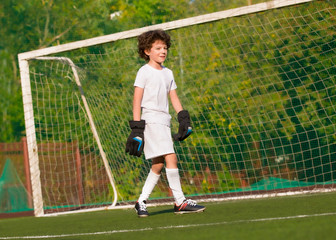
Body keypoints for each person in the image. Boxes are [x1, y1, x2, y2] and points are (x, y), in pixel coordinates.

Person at [126, 29, 205, 217]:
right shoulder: (143, 71)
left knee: (158, 164)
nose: (163, 51)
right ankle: (180, 201)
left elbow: (174, 97)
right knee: (171, 156)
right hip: (150, 120)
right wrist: (137, 128)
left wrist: (183, 117)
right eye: (158, 48)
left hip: (164, 120)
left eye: (165, 48)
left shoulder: (168, 73)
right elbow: (137, 100)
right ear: (147, 51)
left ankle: (141, 201)